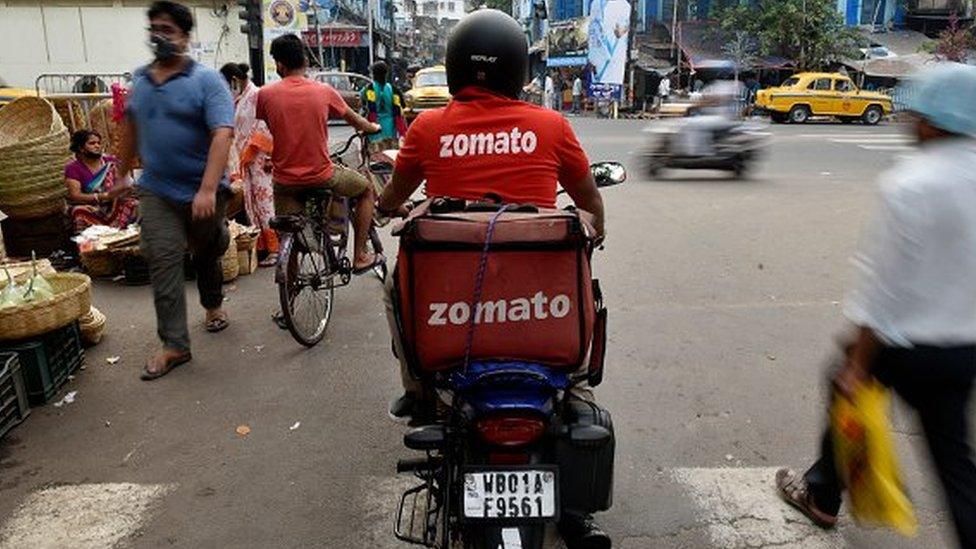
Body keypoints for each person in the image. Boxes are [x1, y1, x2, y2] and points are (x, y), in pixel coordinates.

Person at [378, 10, 609, 549]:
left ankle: (417, 389)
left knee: (395, 288)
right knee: (583, 307)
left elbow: (391, 200)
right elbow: (588, 201)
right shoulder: (552, 127)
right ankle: (572, 386)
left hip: (451, 319)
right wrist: (597, 231)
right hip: (538, 313)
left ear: (456, 67)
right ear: (516, 71)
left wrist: (391, 207)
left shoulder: (429, 128)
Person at [774, 63, 976, 548]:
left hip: (902, 345)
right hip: (962, 348)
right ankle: (824, 486)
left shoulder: (910, 183)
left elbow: (880, 286)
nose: (908, 124)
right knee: (954, 462)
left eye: (916, 116)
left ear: (933, 122)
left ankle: (823, 494)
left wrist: (859, 363)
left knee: (843, 385)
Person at [116, 1, 235, 380]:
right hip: (157, 191)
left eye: (167, 29)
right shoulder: (141, 79)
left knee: (206, 249)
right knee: (162, 257)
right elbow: (130, 129)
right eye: (155, 28)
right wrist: (120, 174)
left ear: (184, 36)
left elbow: (223, 134)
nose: (159, 36)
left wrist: (206, 189)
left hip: (204, 191)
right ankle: (174, 345)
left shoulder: (206, 81)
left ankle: (213, 302)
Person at [256, 34, 382, 274]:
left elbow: (273, 128)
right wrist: (373, 128)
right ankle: (360, 256)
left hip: (285, 181)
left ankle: (289, 293)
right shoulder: (323, 91)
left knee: (288, 233)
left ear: (279, 64)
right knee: (365, 188)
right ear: (304, 60)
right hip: (322, 175)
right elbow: (357, 122)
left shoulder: (265, 94)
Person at [220, 62, 277, 267]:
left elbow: (265, 125)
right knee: (251, 203)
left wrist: (270, 156)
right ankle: (261, 246)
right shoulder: (240, 98)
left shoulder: (256, 95)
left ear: (234, 81)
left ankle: (275, 248)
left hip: (261, 158)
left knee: (264, 204)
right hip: (246, 159)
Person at [64, 130, 138, 233]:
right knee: (79, 211)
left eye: (98, 143)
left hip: (115, 203)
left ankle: (128, 236)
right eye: (92, 143)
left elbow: (127, 183)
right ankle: (89, 245)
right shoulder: (73, 168)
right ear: (81, 148)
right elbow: (75, 195)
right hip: (93, 206)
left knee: (132, 203)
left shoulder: (111, 162)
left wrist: (116, 193)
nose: (97, 146)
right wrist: (101, 197)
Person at [360, 61, 408, 153]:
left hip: (373, 130)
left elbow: (362, 105)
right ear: (386, 74)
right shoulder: (394, 90)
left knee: (376, 159)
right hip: (391, 130)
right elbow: (403, 106)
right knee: (390, 157)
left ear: (373, 74)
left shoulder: (368, 89)